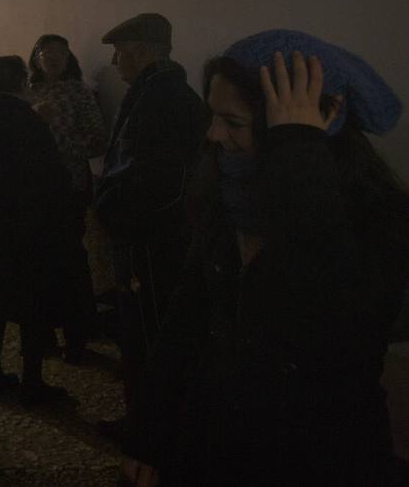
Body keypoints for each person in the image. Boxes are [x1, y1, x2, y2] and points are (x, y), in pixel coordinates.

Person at [120, 32, 409, 486]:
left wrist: (299, 150)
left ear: (314, 129)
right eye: (213, 116)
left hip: (319, 456)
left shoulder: (377, 217)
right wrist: (149, 432)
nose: (214, 136)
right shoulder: (228, 195)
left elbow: (336, 327)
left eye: (232, 122)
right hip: (216, 446)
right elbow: (187, 321)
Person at [93, 13, 207, 436]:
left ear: (140, 52)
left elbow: (148, 179)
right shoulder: (161, 93)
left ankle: (152, 430)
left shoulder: (159, 99)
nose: (116, 64)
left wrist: (113, 215)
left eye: (119, 54)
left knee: (149, 336)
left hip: (150, 243)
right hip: (156, 239)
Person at [0, 55, 76, 405]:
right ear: (22, 82)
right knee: (31, 303)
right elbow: (47, 174)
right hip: (23, 222)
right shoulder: (26, 118)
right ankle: (32, 381)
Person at [28, 34, 109, 360]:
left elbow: (98, 138)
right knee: (40, 262)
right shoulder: (26, 93)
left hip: (70, 185)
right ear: (36, 58)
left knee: (71, 260)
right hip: (35, 189)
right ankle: (45, 332)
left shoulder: (78, 91)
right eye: (46, 53)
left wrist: (65, 151)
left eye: (60, 52)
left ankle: (77, 335)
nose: (53, 57)